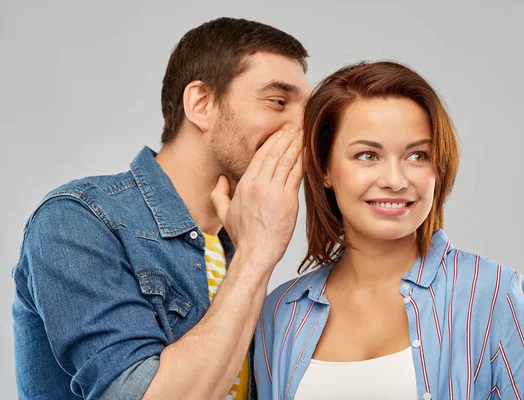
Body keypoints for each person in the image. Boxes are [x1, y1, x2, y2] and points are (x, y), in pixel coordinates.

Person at [12, 17, 312, 400]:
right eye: (279, 102)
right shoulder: (78, 219)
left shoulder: (238, 241)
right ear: (201, 104)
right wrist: (256, 257)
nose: (302, 128)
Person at [255, 61, 524, 400]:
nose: (396, 181)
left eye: (417, 156)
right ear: (325, 168)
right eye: (367, 155)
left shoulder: (492, 297)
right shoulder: (282, 311)